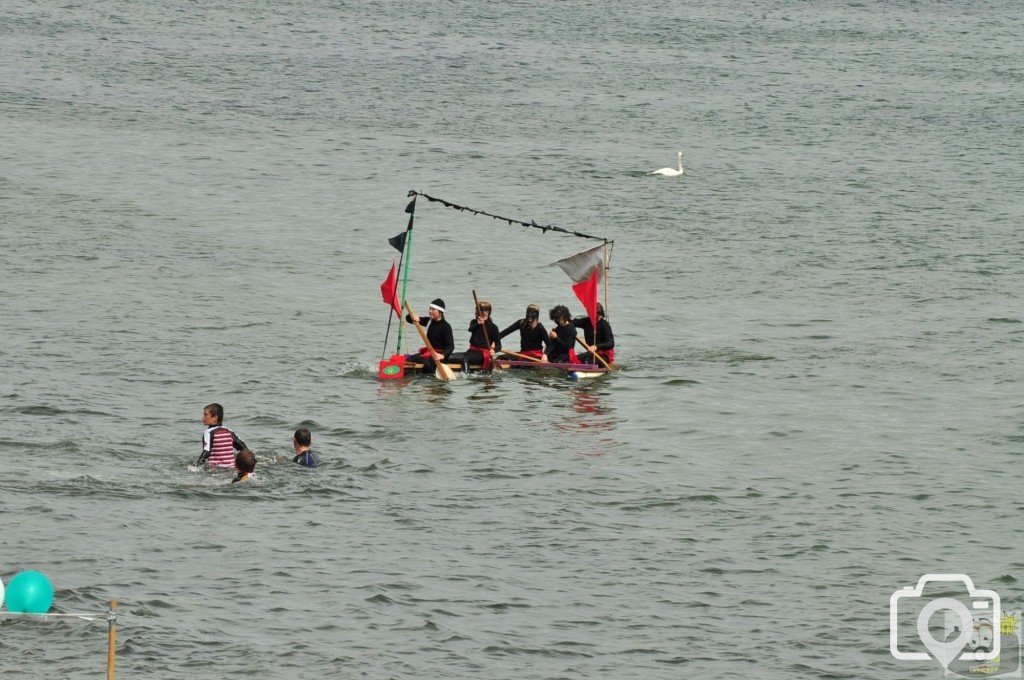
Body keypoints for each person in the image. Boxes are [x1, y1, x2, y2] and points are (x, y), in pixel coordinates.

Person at [404, 298, 455, 374]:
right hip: (429, 353)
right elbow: (408, 319)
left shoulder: (446, 327)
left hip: (440, 356)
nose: (430, 311)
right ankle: (408, 377)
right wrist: (413, 317)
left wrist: (442, 355)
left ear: (440, 312)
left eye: (433, 309)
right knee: (409, 359)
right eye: (430, 309)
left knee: (428, 364)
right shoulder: (429, 321)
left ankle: (429, 382)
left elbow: (451, 346)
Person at [449, 300, 501, 371]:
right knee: (449, 356)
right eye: (479, 310)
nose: (482, 313)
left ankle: (466, 376)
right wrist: (478, 324)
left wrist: (494, 351)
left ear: (488, 312)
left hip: (482, 355)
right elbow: (470, 329)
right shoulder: (474, 322)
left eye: (485, 311)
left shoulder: (493, 327)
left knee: (465, 358)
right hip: (471, 352)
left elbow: (499, 346)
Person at [197, 403, 248, 468]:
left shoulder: (208, 432)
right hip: (231, 468)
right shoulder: (229, 431)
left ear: (215, 418)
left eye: (206, 415)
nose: (203, 417)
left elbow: (206, 452)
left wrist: (197, 466)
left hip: (215, 470)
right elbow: (243, 447)